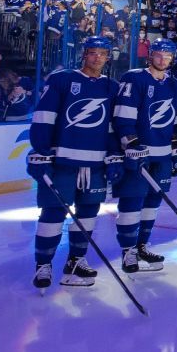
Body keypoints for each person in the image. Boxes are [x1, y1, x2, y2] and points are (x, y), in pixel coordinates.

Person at [26, 36, 120, 289]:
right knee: (53, 212)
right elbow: (45, 116)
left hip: (96, 163)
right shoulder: (62, 79)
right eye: (93, 52)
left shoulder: (112, 87)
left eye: (103, 53)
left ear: (108, 58)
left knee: (88, 213)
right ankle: (43, 265)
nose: (97, 57)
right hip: (63, 161)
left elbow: (113, 126)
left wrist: (114, 156)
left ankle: (76, 262)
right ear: (84, 54)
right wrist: (41, 151)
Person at [111, 39, 177, 273]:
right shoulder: (135, 78)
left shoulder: (175, 85)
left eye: (168, 56)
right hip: (138, 153)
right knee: (132, 201)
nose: (163, 60)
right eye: (159, 55)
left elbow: (174, 123)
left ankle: (142, 245)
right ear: (150, 56)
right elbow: (123, 117)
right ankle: (128, 251)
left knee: (152, 202)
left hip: (162, 157)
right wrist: (130, 144)